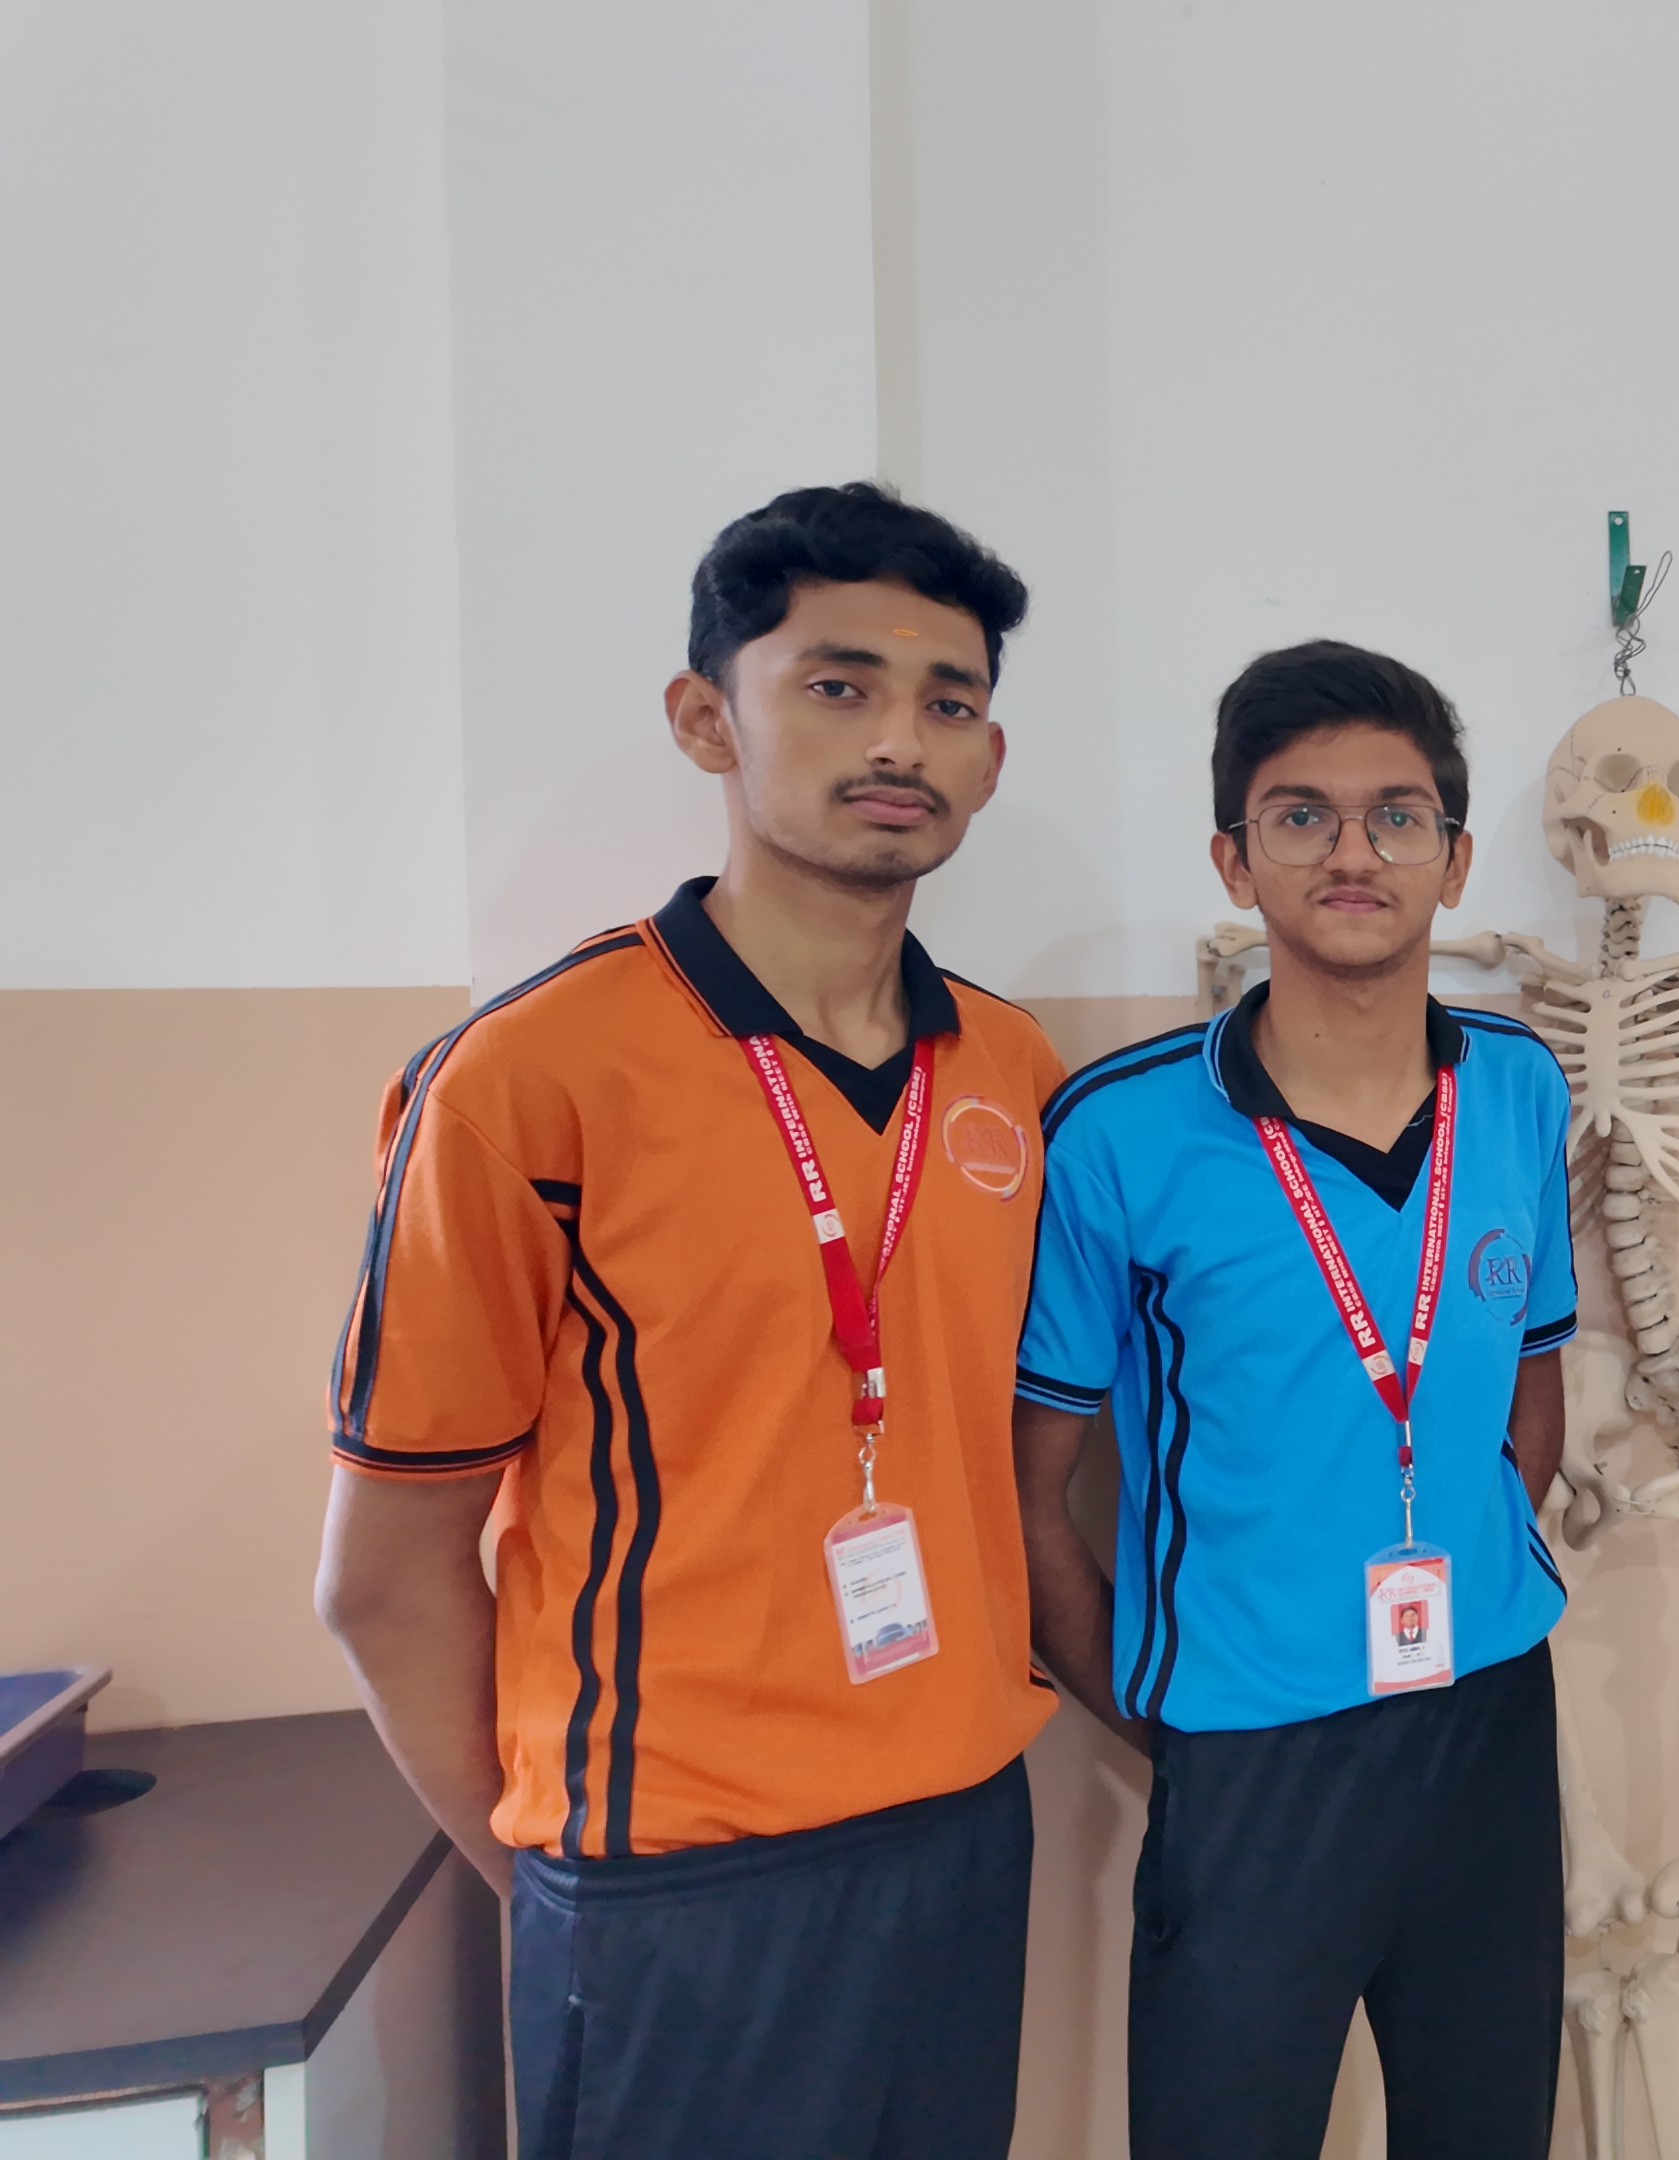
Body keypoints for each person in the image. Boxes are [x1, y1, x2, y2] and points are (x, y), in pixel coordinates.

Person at [314, 483, 1056, 2159]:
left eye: (949, 703)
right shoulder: (528, 1081)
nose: (902, 739)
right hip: (676, 1886)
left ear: (991, 760)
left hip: (960, 1832)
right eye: (838, 684)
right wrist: (572, 1891)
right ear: (707, 719)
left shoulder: (1010, 1070)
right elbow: (384, 1578)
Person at [1011, 641, 1578, 2159]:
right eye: (1300, 815)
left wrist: (1481, 1557)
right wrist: (1168, 1717)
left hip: (1488, 1718)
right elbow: (1029, 1485)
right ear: (1233, 858)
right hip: (1251, 1751)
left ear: (1455, 859)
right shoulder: (1119, 1131)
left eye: (1398, 816)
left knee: (1490, 2131)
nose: (1353, 853)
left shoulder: (1520, 1088)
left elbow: (1531, 1380)